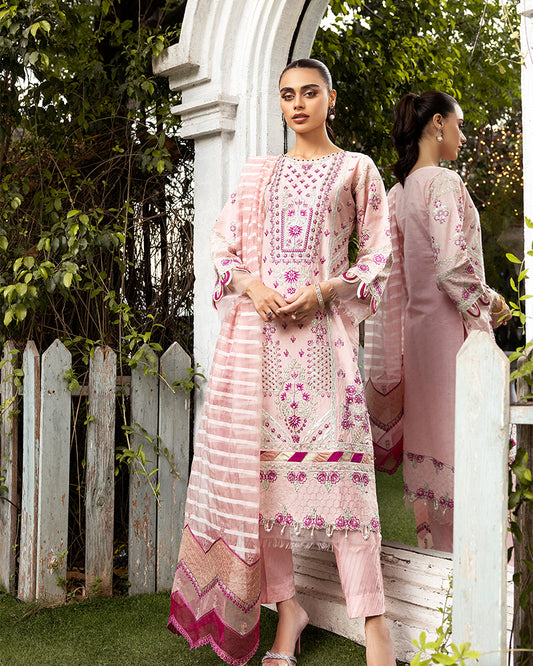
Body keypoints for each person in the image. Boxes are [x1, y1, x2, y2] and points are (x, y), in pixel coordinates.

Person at [167, 58, 396, 666]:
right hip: (260, 355)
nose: (298, 104)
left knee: (347, 490)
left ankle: (375, 623)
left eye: (310, 93)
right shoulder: (259, 174)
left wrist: (326, 290)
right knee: (261, 497)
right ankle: (287, 612)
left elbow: (379, 254)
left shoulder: (356, 169)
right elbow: (223, 246)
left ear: (331, 98)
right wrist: (251, 285)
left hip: (326, 351)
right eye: (288, 94)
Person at [364, 91, 511, 553]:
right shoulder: (444, 183)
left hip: (417, 341)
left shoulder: (399, 193)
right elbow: (451, 268)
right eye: (459, 125)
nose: (463, 136)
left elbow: (393, 283)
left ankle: (443, 562)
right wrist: (490, 300)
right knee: (467, 445)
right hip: (452, 338)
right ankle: (480, 564)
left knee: (439, 449)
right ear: (438, 124)